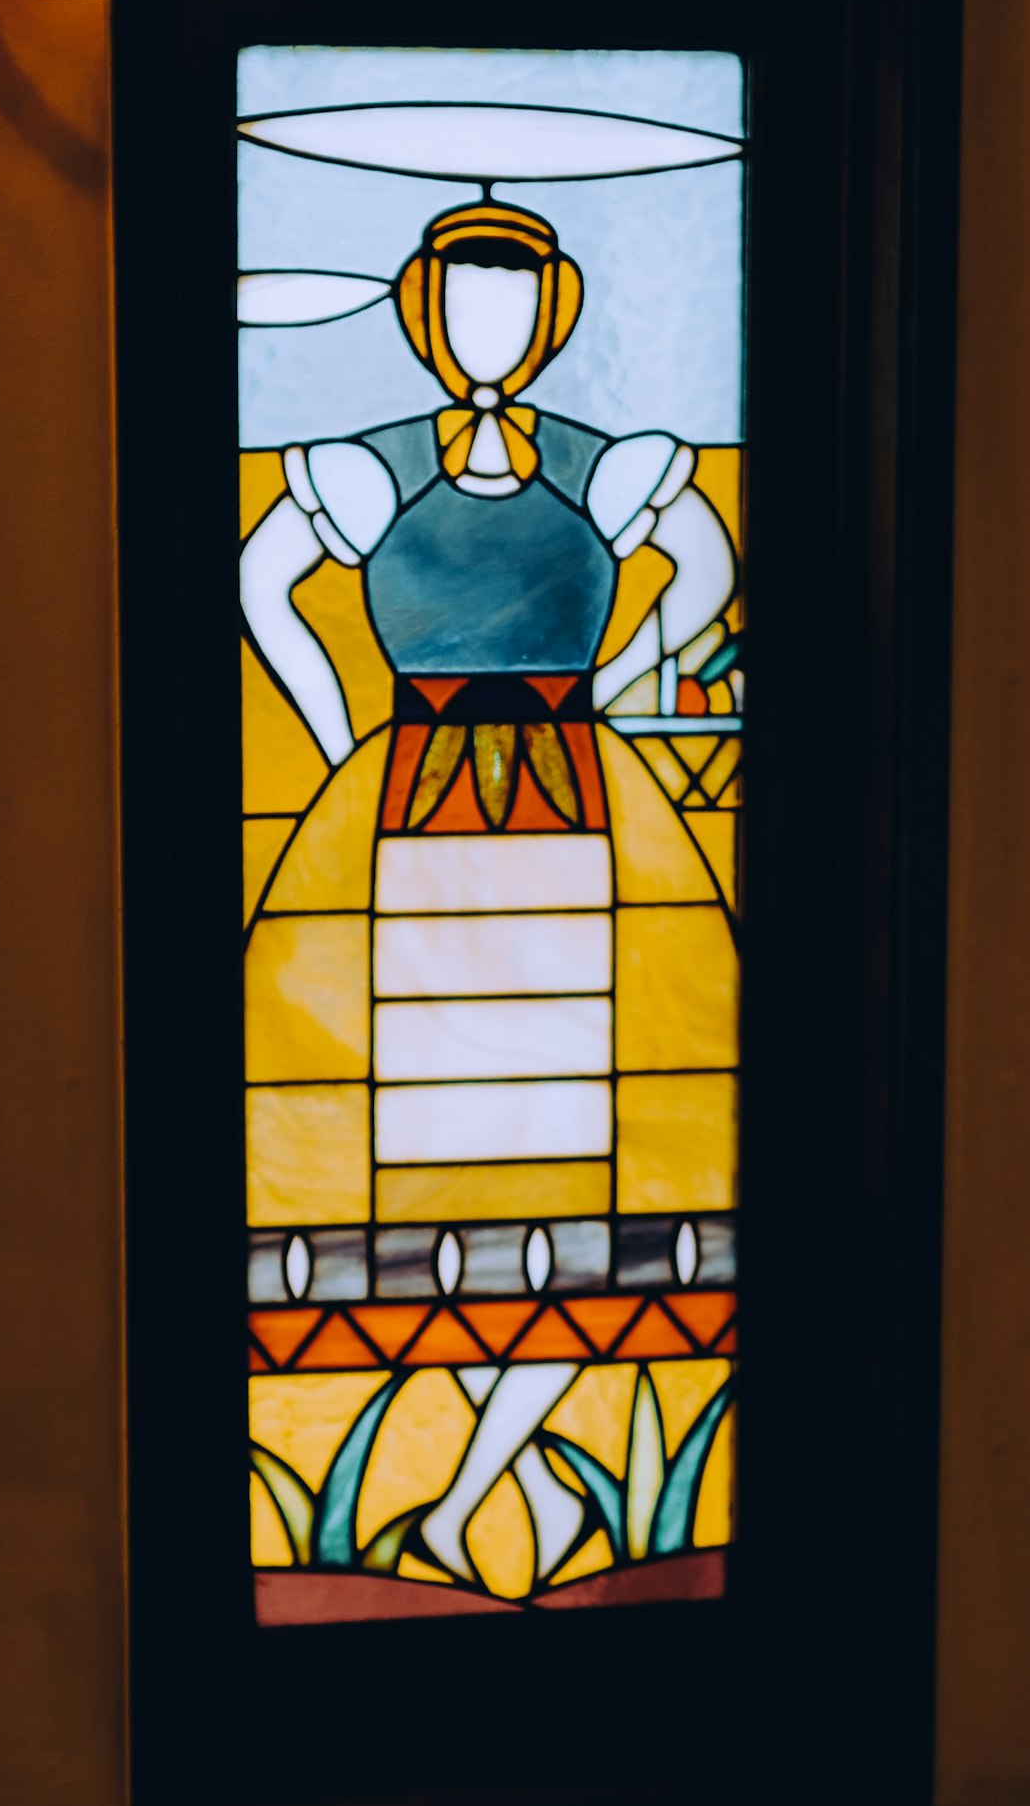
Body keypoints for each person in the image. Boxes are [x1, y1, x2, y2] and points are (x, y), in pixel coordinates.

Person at [239, 196, 736, 1580]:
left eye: (514, 304)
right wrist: (344, 734)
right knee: (429, 1154)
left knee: (568, 1150)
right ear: (421, 312)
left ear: (556, 312)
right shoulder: (370, 470)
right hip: (407, 820)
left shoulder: (602, 465)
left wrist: (630, 680)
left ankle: (469, 1505)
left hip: (575, 817)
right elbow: (258, 583)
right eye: (463, 303)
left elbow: (707, 565)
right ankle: (479, 1506)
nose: (489, 330)